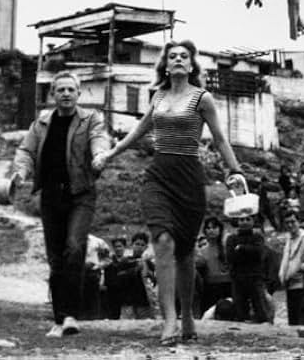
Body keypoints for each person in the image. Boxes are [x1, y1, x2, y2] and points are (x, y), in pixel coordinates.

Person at [92, 39, 245, 345]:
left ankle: (188, 315)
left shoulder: (203, 98)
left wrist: (236, 171)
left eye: (183, 56)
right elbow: (138, 132)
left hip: (189, 177)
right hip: (158, 176)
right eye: (172, 56)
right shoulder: (158, 96)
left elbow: (219, 139)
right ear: (165, 64)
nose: (177, 59)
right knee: (162, 241)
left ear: (191, 65)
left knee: (186, 253)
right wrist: (109, 154)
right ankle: (169, 320)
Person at [11, 70, 110, 338]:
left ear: (79, 94)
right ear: (52, 94)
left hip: (81, 195)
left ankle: (71, 315)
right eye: (60, 90)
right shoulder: (41, 124)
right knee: (55, 258)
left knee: (75, 248)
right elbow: (25, 151)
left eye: (71, 89)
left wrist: (100, 155)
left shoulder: (91, 119)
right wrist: (20, 172)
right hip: (51, 196)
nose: (66, 94)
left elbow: (99, 140)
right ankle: (59, 318)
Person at [226, 213, 273, 323]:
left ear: (253, 221)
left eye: (248, 219)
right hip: (238, 278)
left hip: (255, 277)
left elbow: (259, 254)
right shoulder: (232, 238)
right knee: (240, 309)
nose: (245, 222)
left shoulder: (258, 237)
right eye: (242, 219)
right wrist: (249, 252)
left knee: (260, 307)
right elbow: (230, 257)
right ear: (237, 221)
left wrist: (241, 248)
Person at [196, 216, 232, 313]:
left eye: (214, 227)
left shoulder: (227, 248)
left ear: (220, 229)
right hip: (210, 287)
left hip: (227, 286)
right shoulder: (201, 251)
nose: (211, 230)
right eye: (208, 228)